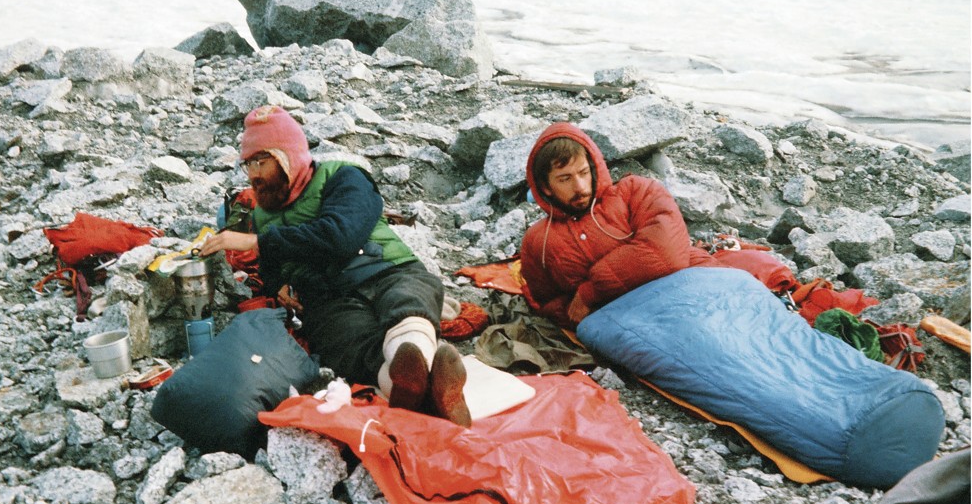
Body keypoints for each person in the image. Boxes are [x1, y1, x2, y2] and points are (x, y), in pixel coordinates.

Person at [200, 105, 471, 427]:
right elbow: (272, 268)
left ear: (288, 157)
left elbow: (341, 236)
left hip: (386, 269)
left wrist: (258, 242)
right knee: (347, 346)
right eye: (249, 164)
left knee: (407, 303)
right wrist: (279, 287)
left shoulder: (343, 177)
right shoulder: (261, 215)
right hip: (330, 298)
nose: (254, 174)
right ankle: (418, 386)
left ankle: (414, 365)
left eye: (263, 161)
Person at [520, 122, 717, 329]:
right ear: (545, 187)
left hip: (696, 286)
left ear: (594, 168)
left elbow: (665, 253)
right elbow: (550, 305)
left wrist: (590, 292)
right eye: (564, 179)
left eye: (584, 172)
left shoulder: (636, 190)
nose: (579, 187)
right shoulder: (538, 241)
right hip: (632, 328)